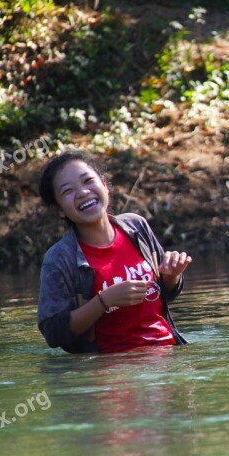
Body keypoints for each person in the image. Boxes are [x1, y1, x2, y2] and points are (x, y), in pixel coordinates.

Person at [37, 151, 192, 353]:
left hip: (169, 353)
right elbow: (54, 333)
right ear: (59, 210)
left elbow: (163, 294)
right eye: (68, 191)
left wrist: (172, 275)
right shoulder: (59, 259)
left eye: (88, 181)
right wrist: (104, 301)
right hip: (110, 369)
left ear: (105, 186)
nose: (83, 192)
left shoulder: (136, 227)